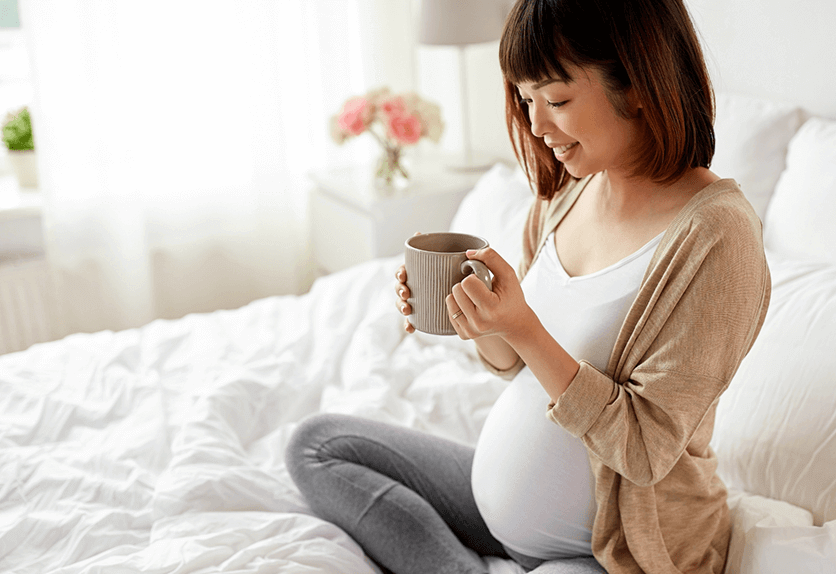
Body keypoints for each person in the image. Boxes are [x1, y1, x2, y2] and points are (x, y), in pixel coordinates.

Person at [286, 0, 771, 572]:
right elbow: (516, 365)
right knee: (317, 446)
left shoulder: (717, 236)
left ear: (640, 84)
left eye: (557, 100)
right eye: (525, 100)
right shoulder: (570, 192)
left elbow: (645, 449)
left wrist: (524, 328)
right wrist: (479, 319)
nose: (537, 127)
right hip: (498, 509)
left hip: (610, 547)